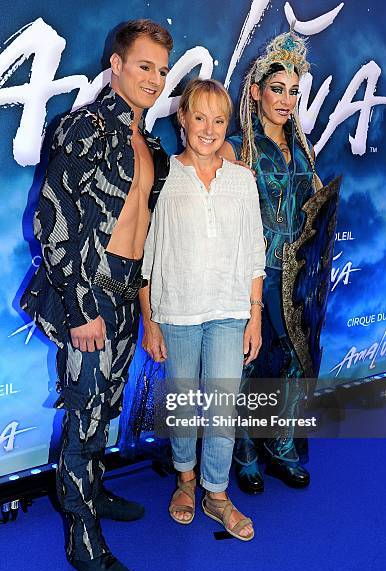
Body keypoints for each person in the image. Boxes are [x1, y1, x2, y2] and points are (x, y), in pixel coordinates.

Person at [20, 19, 172, 571]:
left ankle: (93, 490)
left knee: (105, 409)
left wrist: (146, 311)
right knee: (84, 422)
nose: (154, 79)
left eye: (161, 69)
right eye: (143, 66)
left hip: (126, 294)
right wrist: (81, 309)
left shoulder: (150, 143)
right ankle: (82, 539)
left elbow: (143, 235)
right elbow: (51, 221)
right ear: (116, 65)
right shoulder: (83, 127)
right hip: (84, 298)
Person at [139, 78, 266, 541]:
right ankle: (185, 481)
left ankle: (216, 493)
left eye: (218, 120)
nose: (208, 129)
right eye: (199, 117)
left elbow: (256, 251)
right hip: (178, 312)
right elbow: (148, 255)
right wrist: (150, 320)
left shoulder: (243, 181)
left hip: (230, 311)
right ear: (182, 119)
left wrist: (254, 315)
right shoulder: (164, 176)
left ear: (227, 125)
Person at [219, 26, 340, 493]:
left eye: (293, 91)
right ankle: (245, 448)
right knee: (247, 362)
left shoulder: (303, 152)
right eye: (277, 89)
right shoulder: (235, 148)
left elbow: (315, 215)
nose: (286, 100)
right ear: (256, 92)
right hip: (251, 275)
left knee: (293, 359)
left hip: (297, 278)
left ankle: (281, 444)